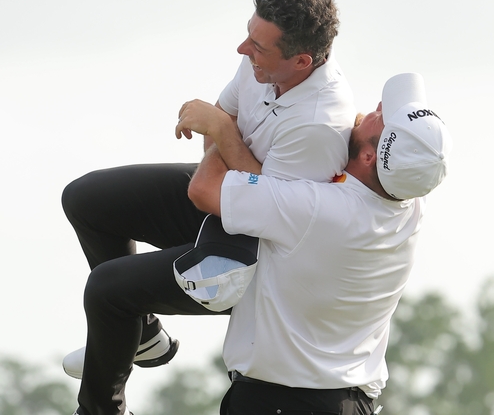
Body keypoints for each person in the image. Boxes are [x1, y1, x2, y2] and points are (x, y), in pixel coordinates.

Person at [62, 0, 354, 415]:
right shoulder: (259, 62)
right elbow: (216, 159)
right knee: (87, 198)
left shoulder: (319, 124)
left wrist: (222, 131)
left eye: (258, 46)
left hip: (266, 258)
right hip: (230, 203)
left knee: (106, 289)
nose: (242, 49)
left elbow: (269, 211)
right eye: (249, 35)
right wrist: (226, 144)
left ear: (301, 60)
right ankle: (140, 335)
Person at [122, 72, 450, 415]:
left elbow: (205, 188)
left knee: (112, 287)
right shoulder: (410, 203)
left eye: (382, 118)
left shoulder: (319, 207)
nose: (378, 107)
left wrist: (225, 129)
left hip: (283, 403)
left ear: (370, 158)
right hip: (345, 402)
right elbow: (376, 149)